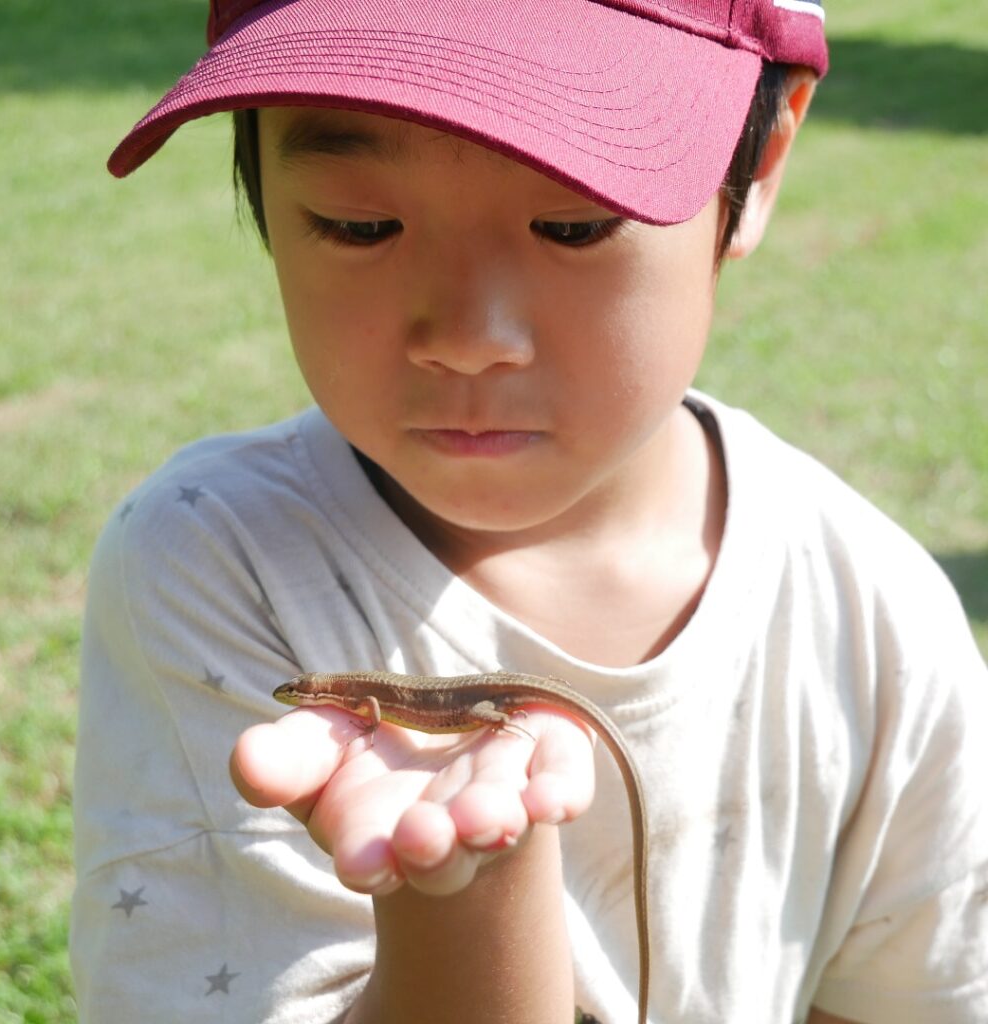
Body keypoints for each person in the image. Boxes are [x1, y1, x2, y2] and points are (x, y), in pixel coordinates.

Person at [70, 1, 988, 1021]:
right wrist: (463, 893)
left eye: (574, 222)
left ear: (759, 164)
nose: (468, 336)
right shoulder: (219, 563)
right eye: (358, 223)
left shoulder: (872, 612)